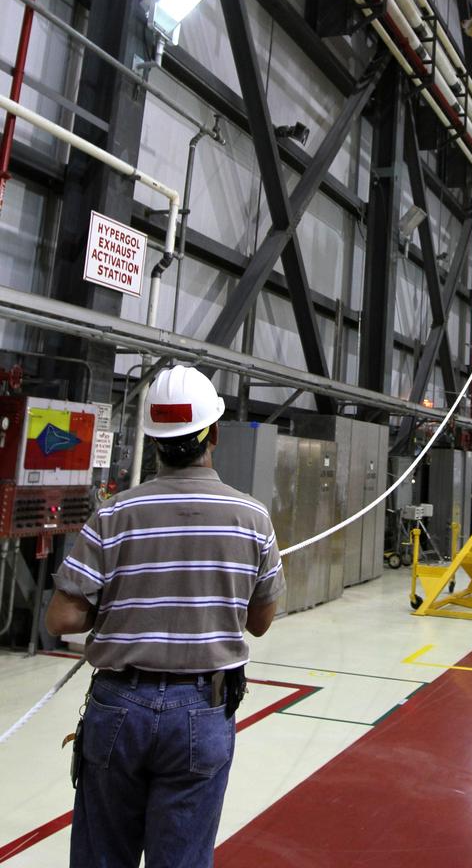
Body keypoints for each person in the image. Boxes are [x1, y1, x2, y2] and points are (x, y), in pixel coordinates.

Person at [45, 364, 284, 868]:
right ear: (213, 434)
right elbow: (260, 622)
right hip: (202, 709)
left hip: (118, 707)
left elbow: (61, 618)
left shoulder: (113, 514)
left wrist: (124, 606)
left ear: (153, 439)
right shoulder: (252, 518)